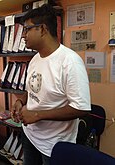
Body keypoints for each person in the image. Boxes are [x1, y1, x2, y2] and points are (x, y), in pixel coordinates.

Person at [11, 4, 91, 165]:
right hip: (30, 136)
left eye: (26, 29)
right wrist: (21, 101)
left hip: (55, 145)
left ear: (42, 29)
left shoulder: (70, 61)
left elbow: (81, 108)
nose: (23, 35)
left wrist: (37, 115)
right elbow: (33, 89)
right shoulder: (35, 59)